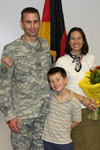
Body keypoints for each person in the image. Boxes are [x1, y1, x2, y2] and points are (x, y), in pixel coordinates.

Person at [0, 7, 51, 150]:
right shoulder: (11, 49)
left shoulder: (45, 46)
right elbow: (3, 84)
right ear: (22, 24)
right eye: (28, 22)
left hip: (43, 113)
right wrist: (9, 115)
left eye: (35, 22)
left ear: (40, 22)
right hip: (21, 115)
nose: (32, 26)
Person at [55, 27, 100, 150]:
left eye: (79, 38)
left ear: (83, 41)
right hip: (71, 111)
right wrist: (82, 99)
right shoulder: (62, 61)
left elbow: (95, 82)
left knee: (93, 145)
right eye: (72, 38)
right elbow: (58, 88)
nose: (76, 41)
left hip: (90, 110)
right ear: (68, 42)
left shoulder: (90, 58)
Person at [42, 67, 82, 150]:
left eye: (58, 79)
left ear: (65, 80)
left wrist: (65, 128)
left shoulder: (74, 102)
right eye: (52, 81)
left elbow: (77, 121)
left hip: (64, 142)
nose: (55, 83)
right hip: (47, 140)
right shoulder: (49, 96)